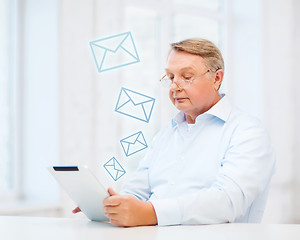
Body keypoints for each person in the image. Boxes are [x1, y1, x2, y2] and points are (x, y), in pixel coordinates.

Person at [73, 38, 275, 227]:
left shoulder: (247, 132)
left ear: (217, 78)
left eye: (186, 77)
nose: (174, 86)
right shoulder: (165, 135)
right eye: (170, 77)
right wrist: (113, 206)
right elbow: (138, 191)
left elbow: (229, 201)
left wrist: (151, 213)